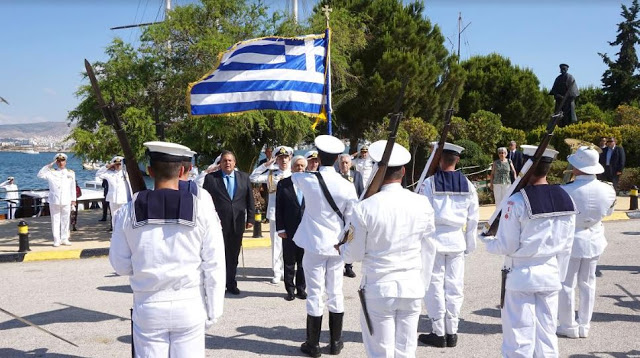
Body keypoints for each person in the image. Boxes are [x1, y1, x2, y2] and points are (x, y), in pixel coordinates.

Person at [109, 141, 226, 358]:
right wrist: (214, 309)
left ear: (150, 171)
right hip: (189, 304)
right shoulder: (202, 208)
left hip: (148, 304)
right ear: (182, 170)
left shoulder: (128, 210)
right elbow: (215, 263)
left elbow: (120, 265)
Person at [339, 140, 436, 358]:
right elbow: (429, 250)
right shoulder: (422, 204)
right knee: (406, 351)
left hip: (378, 287)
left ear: (377, 171)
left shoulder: (364, 208)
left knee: (380, 352)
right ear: (403, 171)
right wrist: (422, 284)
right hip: (412, 287)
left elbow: (353, 254)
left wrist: (342, 250)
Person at [480, 146, 577, 357]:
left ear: (526, 167)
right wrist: (558, 275)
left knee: (519, 337)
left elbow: (507, 246)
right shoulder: (566, 198)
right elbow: (567, 245)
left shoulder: (516, 201)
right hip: (551, 273)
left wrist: (487, 241)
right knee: (547, 335)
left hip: (521, 275)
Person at [291, 135, 358, 357]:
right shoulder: (346, 186)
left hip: (313, 244)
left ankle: (313, 344)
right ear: (339, 158)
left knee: (315, 293)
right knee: (335, 292)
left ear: (318, 157)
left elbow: (293, 174)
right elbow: (352, 220)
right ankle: (336, 343)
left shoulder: (306, 179)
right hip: (337, 246)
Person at [418, 142, 479, 348]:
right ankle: (452, 331)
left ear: (439, 158)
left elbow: (422, 216)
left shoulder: (428, 184)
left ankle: (438, 331)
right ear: (458, 159)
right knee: (455, 286)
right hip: (456, 239)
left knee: (434, 286)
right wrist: (470, 244)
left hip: (434, 239)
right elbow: (473, 219)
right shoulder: (468, 185)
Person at [558, 146, 616, 339]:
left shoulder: (565, 190)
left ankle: (568, 325)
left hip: (571, 240)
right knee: (588, 283)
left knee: (567, 284)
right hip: (594, 238)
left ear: (578, 167)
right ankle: (584, 325)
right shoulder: (608, 189)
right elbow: (608, 213)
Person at [202, 150, 254, 295]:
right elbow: (205, 202)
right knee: (218, 255)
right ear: (220, 163)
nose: (227, 163)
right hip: (218, 224)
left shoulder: (243, 177)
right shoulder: (211, 179)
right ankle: (218, 285)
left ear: (234, 163)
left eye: (230, 160)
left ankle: (231, 283)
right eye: (225, 160)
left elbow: (250, 199)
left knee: (233, 255)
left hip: (237, 223)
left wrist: (250, 218)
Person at [250, 146, 293, 284]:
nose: (283, 160)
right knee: (277, 244)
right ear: (277, 160)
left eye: (285, 157)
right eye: (280, 158)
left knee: (295, 244)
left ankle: (291, 271)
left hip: (293, 214)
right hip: (276, 214)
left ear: (290, 158)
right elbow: (253, 177)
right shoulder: (271, 175)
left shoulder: (296, 173)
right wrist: (265, 165)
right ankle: (277, 271)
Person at [276, 155, 308, 301]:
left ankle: (301, 289)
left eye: (302, 166)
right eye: (297, 166)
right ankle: (290, 290)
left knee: (303, 262)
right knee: (289, 262)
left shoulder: (311, 183)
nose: (300, 168)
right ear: (292, 167)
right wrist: (280, 229)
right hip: (289, 230)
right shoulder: (283, 184)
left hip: (307, 230)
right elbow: (279, 208)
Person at [37, 153, 76, 247]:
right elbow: (39, 175)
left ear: (65, 162)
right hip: (54, 200)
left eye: (62, 160)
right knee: (55, 220)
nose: (60, 163)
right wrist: (50, 164)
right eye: (58, 161)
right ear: (56, 162)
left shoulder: (71, 173)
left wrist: (73, 200)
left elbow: (72, 187)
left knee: (65, 220)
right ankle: (56, 239)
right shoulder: (51, 172)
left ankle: (64, 238)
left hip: (66, 199)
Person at [336, 153, 364, 279]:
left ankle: (348, 266)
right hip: (339, 213)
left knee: (350, 238)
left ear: (351, 164)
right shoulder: (335, 176)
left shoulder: (357, 175)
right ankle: (338, 265)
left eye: (347, 162)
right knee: (339, 238)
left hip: (352, 214)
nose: (344, 165)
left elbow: (361, 192)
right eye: (342, 162)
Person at [96, 156, 132, 228]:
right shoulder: (109, 173)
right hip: (113, 199)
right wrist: (107, 166)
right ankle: (115, 233)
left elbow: (130, 187)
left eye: (119, 164)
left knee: (125, 218)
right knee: (114, 218)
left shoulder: (126, 173)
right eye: (116, 164)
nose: (118, 166)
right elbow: (98, 174)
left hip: (124, 200)